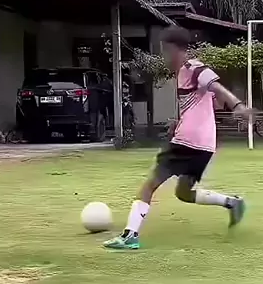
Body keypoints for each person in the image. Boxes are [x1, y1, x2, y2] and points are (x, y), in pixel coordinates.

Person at [104, 25, 252, 250]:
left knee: (149, 186)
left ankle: (130, 235)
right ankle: (232, 203)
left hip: (187, 142)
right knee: (184, 192)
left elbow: (217, 87)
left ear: (173, 49)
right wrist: (179, 121)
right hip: (205, 146)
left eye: (164, 50)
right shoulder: (185, 73)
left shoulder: (193, 68)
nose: (164, 57)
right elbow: (206, 102)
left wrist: (238, 105)